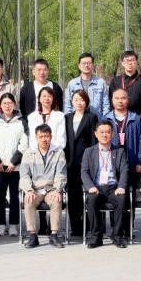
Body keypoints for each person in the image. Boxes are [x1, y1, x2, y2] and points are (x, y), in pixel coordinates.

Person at [81, 121, 130, 248]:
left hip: (113, 188)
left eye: (107, 132)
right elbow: (84, 172)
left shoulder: (119, 152)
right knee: (91, 200)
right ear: (96, 134)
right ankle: (96, 236)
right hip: (96, 187)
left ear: (112, 134)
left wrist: (121, 187)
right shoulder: (89, 152)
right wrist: (90, 186)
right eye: (101, 132)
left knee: (122, 200)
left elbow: (124, 170)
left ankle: (117, 235)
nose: (104, 135)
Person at [0, 93, 27, 237]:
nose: (7, 106)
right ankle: (1, 224)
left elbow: (24, 142)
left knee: (15, 196)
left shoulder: (21, 121)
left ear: (14, 104)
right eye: (4, 103)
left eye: (10, 103)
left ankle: (14, 225)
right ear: (0, 106)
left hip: (15, 167)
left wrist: (14, 162)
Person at [19, 124, 67, 248]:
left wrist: (57, 189)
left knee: (57, 200)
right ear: (36, 138)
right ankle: (32, 236)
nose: (44, 139)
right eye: (41, 136)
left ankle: (54, 235)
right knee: (28, 200)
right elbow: (24, 175)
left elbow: (61, 174)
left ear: (51, 137)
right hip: (35, 189)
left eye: (46, 136)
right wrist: (28, 190)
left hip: (51, 189)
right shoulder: (29, 153)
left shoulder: (58, 152)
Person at [104, 88, 141, 218]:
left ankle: (129, 226)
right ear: (112, 100)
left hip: (131, 162)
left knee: (130, 196)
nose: (120, 101)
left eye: (123, 98)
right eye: (117, 98)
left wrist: (140, 161)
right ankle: (115, 226)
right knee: (114, 194)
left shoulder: (136, 119)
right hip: (111, 163)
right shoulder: (106, 119)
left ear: (128, 100)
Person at [64, 90, 99, 237]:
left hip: (85, 161)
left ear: (86, 102)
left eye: (82, 100)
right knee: (73, 195)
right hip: (70, 162)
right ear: (72, 101)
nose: (79, 103)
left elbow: (93, 141)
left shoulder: (91, 117)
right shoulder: (67, 118)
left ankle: (88, 224)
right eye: (76, 100)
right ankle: (75, 226)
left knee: (87, 193)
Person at [64, 53, 111, 117]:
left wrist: (104, 120)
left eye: (89, 63)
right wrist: (69, 120)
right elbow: (68, 106)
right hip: (77, 120)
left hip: (97, 120)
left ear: (93, 66)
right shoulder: (72, 84)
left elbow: (106, 105)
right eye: (84, 63)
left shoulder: (101, 83)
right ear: (79, 66)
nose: (86, 65)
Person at [109, 50, 141, 115]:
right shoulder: (115, 81)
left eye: (132, 60)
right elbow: (111, 101)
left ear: (137, 62)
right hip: (119, 116)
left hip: (138, 116)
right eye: (127, 61)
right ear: (122, 63)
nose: (130, 63)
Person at [26, 87, 66, 152]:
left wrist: (49, 150)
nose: (47, 98)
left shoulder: (60, 116)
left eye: (49, 96)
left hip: (55, 153)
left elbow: (61, 140)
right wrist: (40, 151)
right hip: (36, 153)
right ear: (39, 99)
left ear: (53, 99)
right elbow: (32, 139)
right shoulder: (32, 117)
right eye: (44, 96)